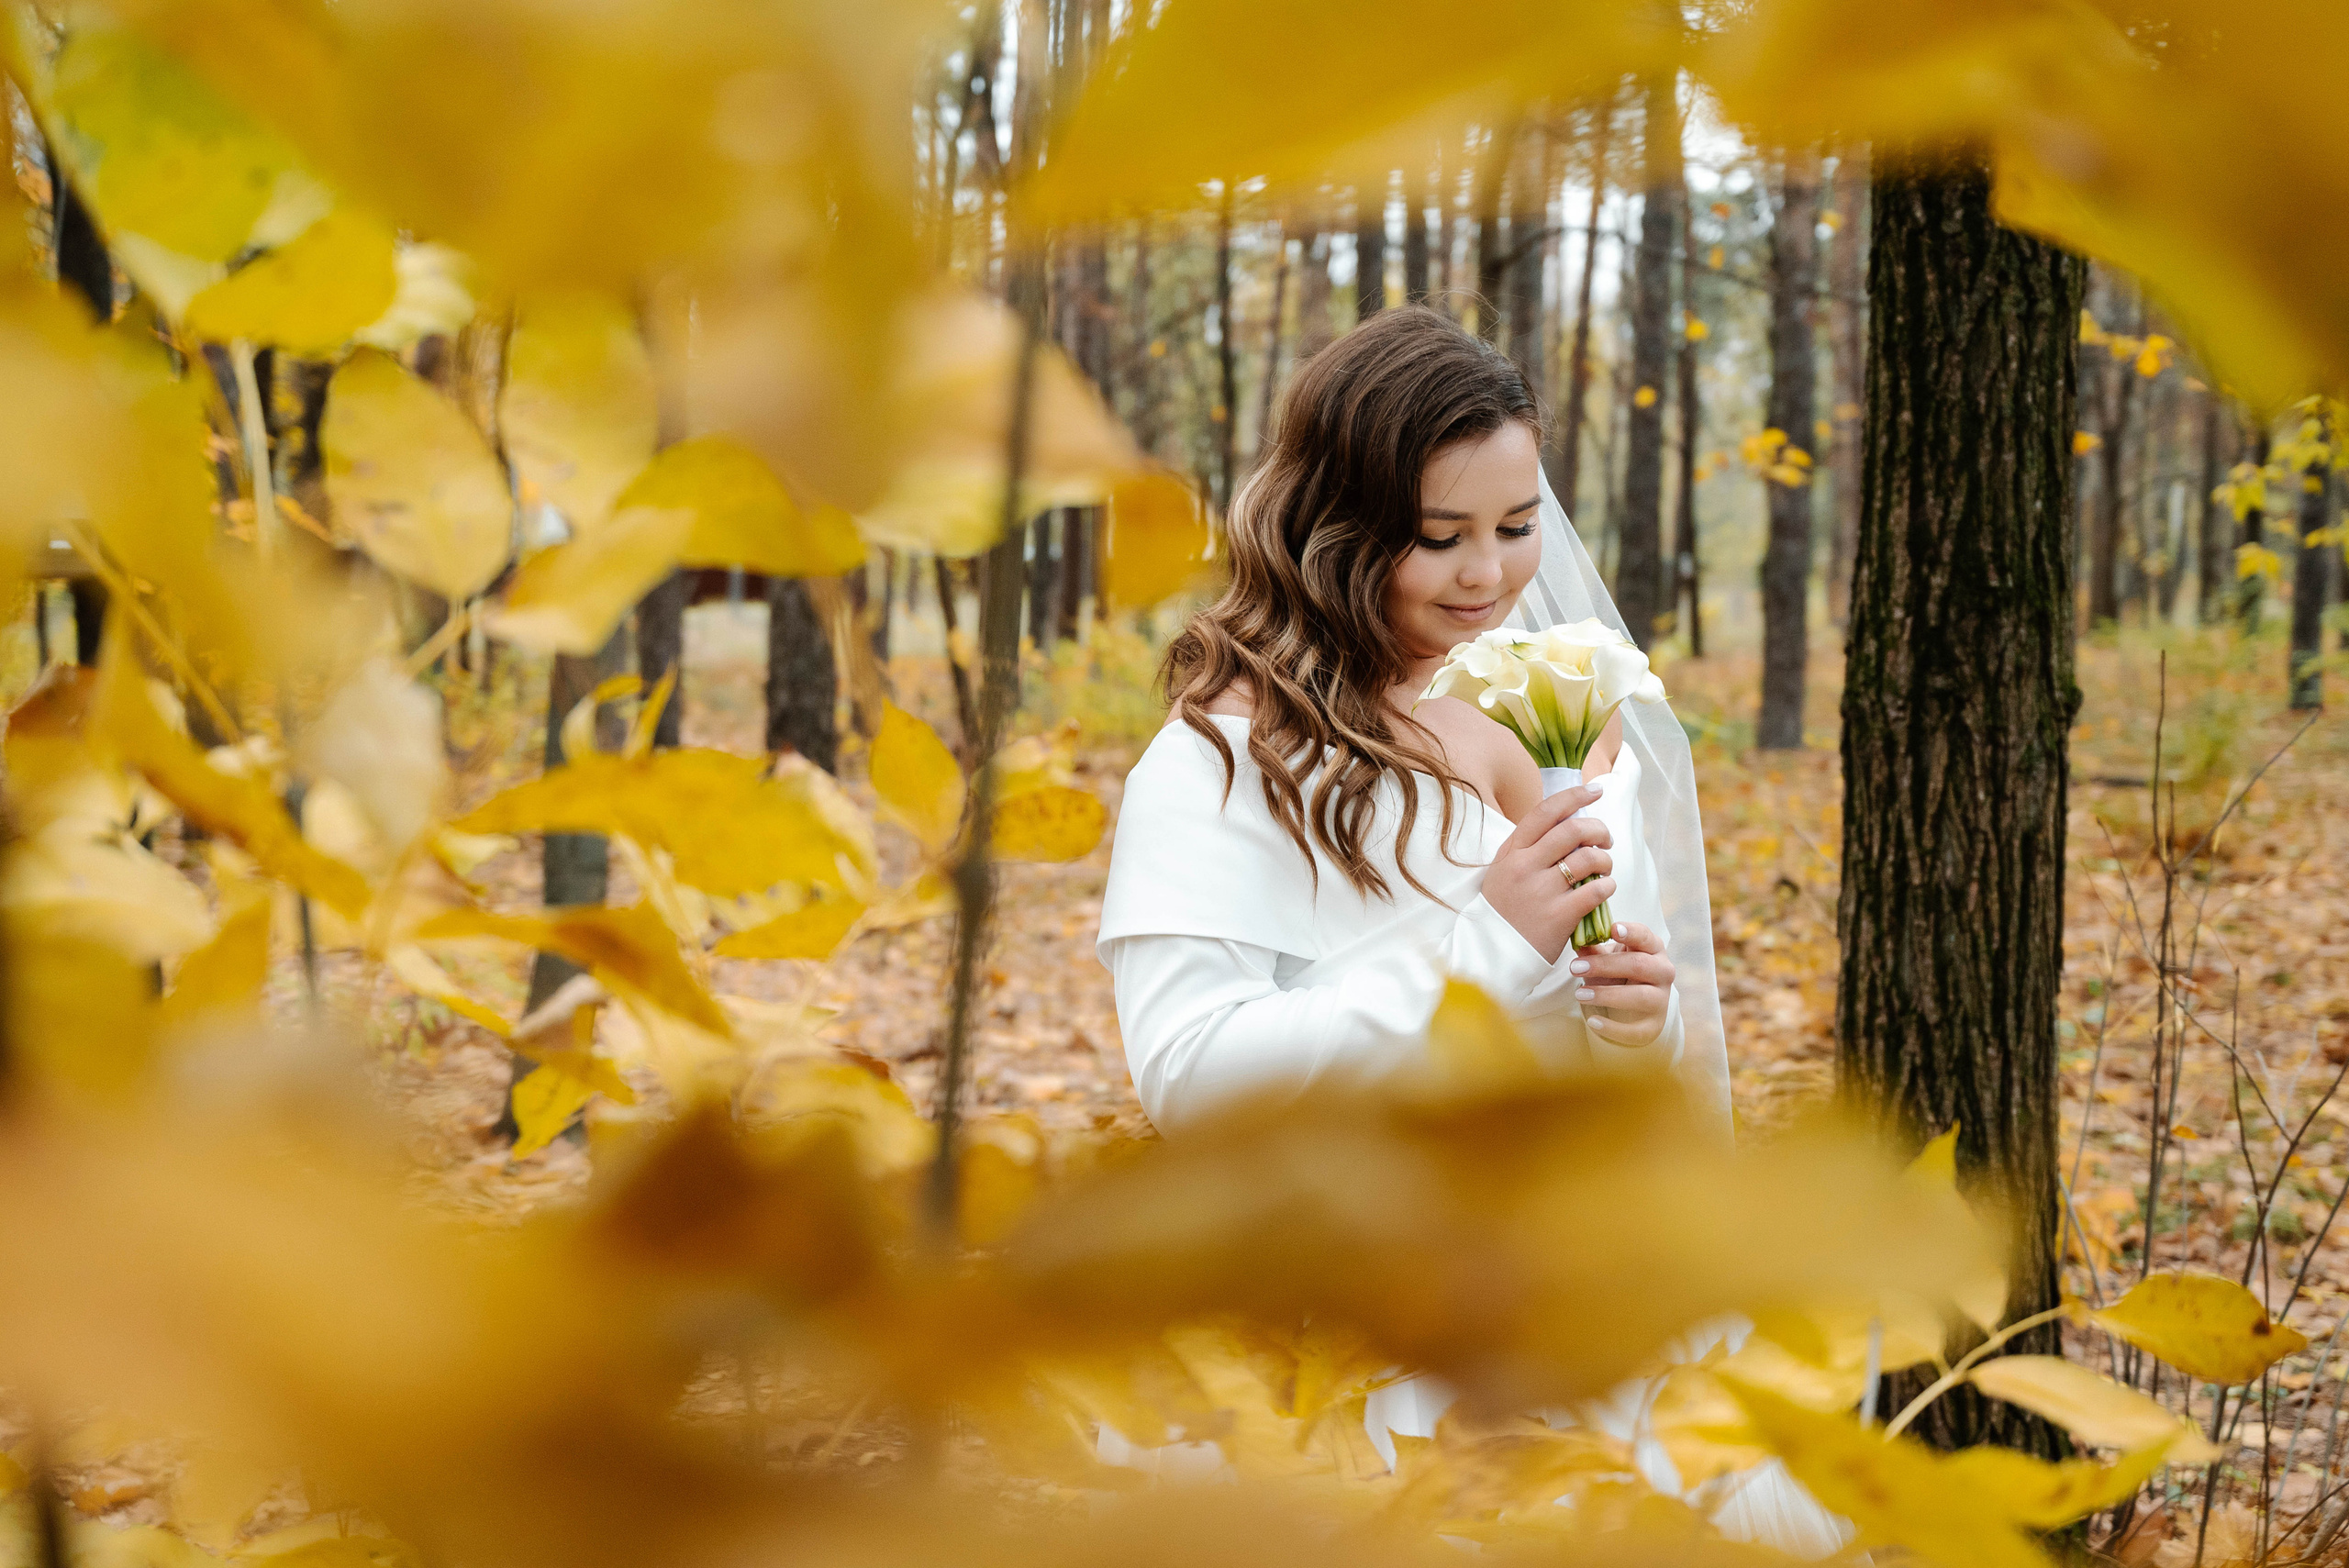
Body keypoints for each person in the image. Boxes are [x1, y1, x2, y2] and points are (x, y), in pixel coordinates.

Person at [1093, 306, 1845, 1556]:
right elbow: (1196, 1079)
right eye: (1440, 537)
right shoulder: (1223, 754)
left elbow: (1631, 1070)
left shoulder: (1561, 720)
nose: (1489, 575)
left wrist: (1629, 1019)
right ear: (1339, 521)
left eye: (1514, 526)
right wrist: (1486, 949)